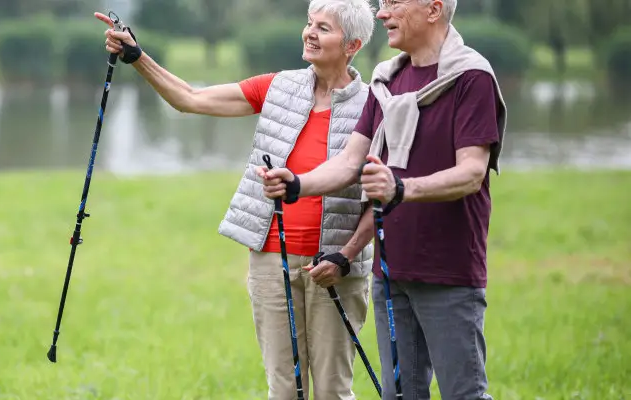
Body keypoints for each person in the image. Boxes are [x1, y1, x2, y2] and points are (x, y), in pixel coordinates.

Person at [95, 1, 378, 398]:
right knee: (284, 389)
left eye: (324, 28)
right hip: (271, 262)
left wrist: (346, 256)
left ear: (353, 45)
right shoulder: (279, 87)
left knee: (333, 390)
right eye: (309, 23)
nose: (309, 33)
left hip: (334, 267)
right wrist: (138, 58)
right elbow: (190, 99)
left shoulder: (373, 106)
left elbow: (378, 201)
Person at [257, 0, 509, 399]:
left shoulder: (471, 77)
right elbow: (349, 163)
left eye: (394, 3)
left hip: (449, 270)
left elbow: (472, 173)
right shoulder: (386, 79)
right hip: (391, 273)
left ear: (433, 9)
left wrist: (402, 189)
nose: (381, 13)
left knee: (464, 395)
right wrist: (296, 184)